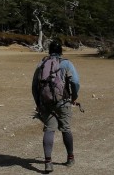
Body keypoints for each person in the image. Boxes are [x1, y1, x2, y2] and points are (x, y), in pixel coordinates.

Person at [32, 39, 81, 173]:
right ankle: (70, 158)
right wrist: (74, 97)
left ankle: (48, 162)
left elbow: (34, 86)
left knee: (49, 129)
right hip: (63, 102)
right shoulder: (66, 63)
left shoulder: (41, 63)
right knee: (66, 128)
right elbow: (75, 82)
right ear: (61, 51)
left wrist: (38, 103)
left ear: (49, 51)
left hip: (46, 102)